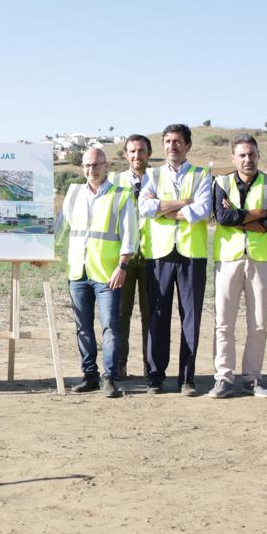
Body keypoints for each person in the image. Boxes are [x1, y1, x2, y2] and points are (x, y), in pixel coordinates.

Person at [138, 124, 214, 395]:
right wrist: (183, 203)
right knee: (158, 316)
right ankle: (156, 376)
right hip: (159, 254)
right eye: (168, 141)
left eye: (178, 141)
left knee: (190, 318)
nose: (173, 146)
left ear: (188, 145)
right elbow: (145, 207)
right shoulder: (153, 175)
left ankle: (187, 378)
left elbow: (203, 210)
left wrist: (163, 209)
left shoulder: (202, 174)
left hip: (192, 255)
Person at [209, 134, 267, 399]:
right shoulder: (221, 182)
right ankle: (223, 378)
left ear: (258, 156)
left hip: (261, 260)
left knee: (259, 324)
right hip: (228, 259)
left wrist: (240, 218)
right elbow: (222, 216)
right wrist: (257, 215)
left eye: (251, 154)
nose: (247, 159)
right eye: (242, 155)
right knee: (224, 323)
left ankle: (252, 378)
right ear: (233, 158)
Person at [61, 145, 138, 397]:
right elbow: (60, 229)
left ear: (106, 166)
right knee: (82, 327)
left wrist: (122, 266)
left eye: (96, 165)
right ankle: (89, 375)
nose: (91, 169)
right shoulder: (73, 194)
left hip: (107, 272)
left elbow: (130, 235)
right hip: (78, 272)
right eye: (86, 165)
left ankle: (109, 376)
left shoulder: (121, 195)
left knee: (110, 326)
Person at [111, 134, 154, 382]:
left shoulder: (159, 180)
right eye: (132, 151)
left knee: (151, 314)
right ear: (126, 155)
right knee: (120, 314)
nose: (137, 155)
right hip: (123, 258)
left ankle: (151, 368)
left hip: (152, 256)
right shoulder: (115, 182)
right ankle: (119, 366)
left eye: (141, 151)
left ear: (149, 153)